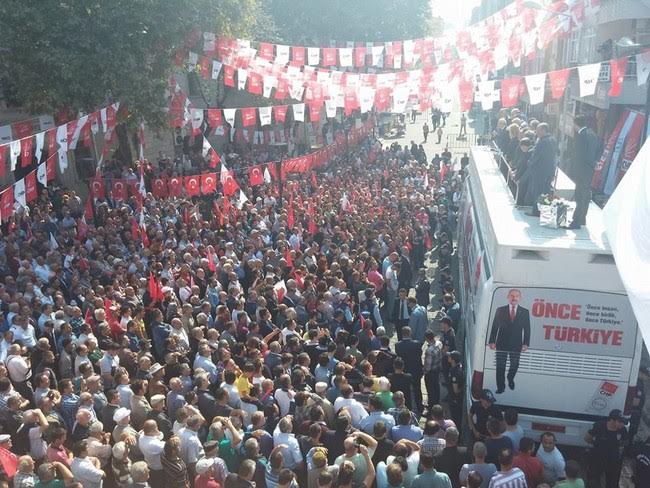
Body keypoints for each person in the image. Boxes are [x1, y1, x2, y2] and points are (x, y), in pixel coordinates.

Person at [487, 289, 530, 394]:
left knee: (515, 364)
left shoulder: (525, 312)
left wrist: (525, 343)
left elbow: (527, 329)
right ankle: (500, 387)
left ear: (520, 298)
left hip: (516, 344)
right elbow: (495, 326)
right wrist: (492, 341)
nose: (514, 298)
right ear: (508, 297)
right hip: (501, 343)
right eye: (512, 295)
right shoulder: (500, 310)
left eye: (516, 296)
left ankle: (510, 378)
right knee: (500, 366)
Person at [569, 115, 600, 229]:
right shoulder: (593, 134)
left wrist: (574, 171)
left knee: (580, 195)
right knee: (585, 195)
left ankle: (576, 221)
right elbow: (598, 150)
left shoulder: (581, 136)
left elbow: (578, 155)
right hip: (589, 169)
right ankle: (582, 218)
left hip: (581, 170)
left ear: (575, 124)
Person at [584, 409, 628, 488]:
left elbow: (625, 441)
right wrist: (596, 444)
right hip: (597, 457)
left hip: (613, 459)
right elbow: (587, 437)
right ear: (612, 420)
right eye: (620, 421)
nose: (622, 424)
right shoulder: (599, 426)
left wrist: (616, 446)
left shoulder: (622, 430)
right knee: (593, 479)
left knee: (612, 481)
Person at [524, 122, 558, 216]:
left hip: (539, 171)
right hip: (549, 171)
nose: (536, 132)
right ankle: (544, 211)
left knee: (538, 192)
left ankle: (536, 211)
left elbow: (536, 156)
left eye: (538, 130)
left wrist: (529, 163)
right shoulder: (553, 140)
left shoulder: (542, 141)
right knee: (546, 192)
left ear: (544, 130)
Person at [394, 327, 424, 414]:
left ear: (402, 334)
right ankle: (420, 407)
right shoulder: (417, 344)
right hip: (416, 370)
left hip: (405, 370)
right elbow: (420, 355)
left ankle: (407, 408)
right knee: (417, 389)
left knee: (406, 390)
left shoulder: (398, 345)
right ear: (410, 333)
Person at [423, 330, 443, 411]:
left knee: (430, 391)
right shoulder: (439, 343)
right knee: (436, 387)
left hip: (430, 373)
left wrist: (424, 372)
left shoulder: (429, 350)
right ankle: (437, 403)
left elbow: (428, 367)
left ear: (426, 339)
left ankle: (431, 407)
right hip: (437, 369)